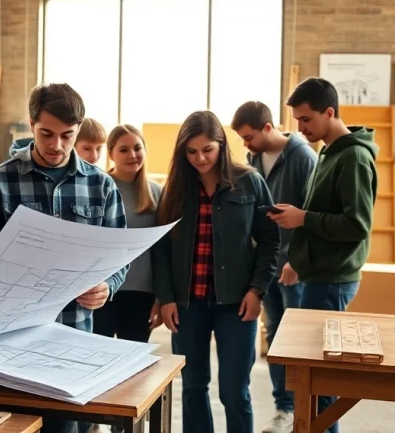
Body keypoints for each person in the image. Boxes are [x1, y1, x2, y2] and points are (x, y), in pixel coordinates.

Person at [0, 83, 127, 433]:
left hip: (75, 336)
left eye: (67, 135)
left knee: (70, 428)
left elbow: (119, 257)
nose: (56, 145)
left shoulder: (101, 186)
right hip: (9, 339)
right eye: (46, 134)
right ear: (31, 124)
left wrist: (107, 286)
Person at [152, 111, 280, 433]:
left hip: (236, 304)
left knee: (234, 392)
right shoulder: (176, 189)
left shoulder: (249, 181)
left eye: (208, 150)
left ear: (222, 145)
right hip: (187, 305)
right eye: (191, 151)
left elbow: (269, 242)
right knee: (193, 388)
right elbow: (161, 249)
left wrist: (258, 291)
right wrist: (166, 297)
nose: (200, 158)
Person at [268, 77, 377, 433]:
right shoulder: (328, 152)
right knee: (312, 378)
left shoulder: (355, 157)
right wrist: (299, 261)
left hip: (333, 280)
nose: (300, 128)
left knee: (321, 380)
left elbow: (356, 224)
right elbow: (323, 216)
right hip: (318, 275)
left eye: (306, 120)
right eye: (297, 120)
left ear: (329, 112)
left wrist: (302, 218)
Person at [231, 101, 318, 433]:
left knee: (297, 344)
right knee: (276, 339)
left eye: (249, 137)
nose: (246, 145)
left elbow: (312, 212)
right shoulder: (254, 159)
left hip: (294, 268)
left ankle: (301, 411)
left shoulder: (303, 158)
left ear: (268, 128)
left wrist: (296, 260)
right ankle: (284, 410)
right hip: (267, 267)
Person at [93, 125, 163, 343]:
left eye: (137, 148)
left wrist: (161, 297)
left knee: (133, 368)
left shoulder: (156, 193)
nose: (133, 155)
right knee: (98, 360)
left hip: (142, 294)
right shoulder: (97, 188)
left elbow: (163, 250)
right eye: (124, 150)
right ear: (111, 153)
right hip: (102, 291)